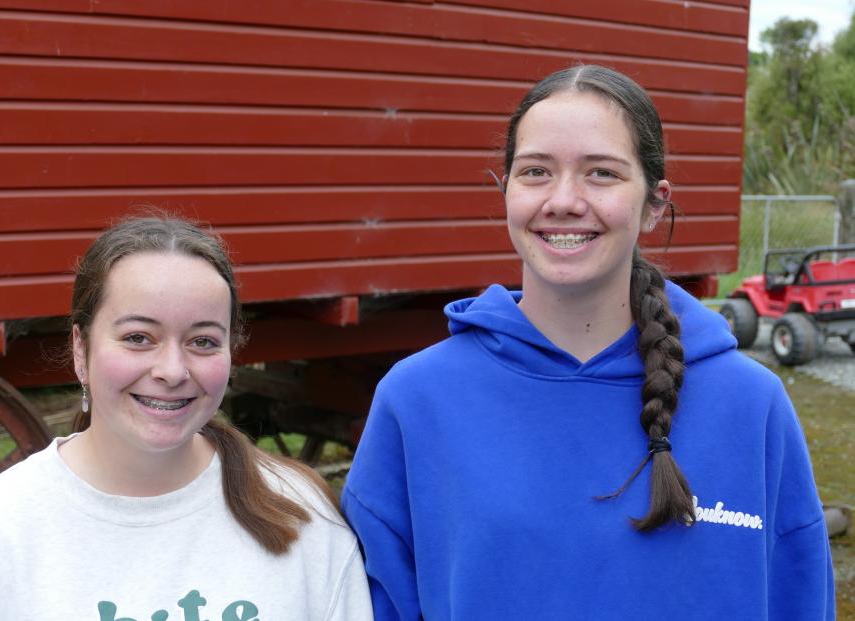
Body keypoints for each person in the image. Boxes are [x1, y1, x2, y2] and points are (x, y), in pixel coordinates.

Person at [341, 65, 834, 620]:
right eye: (536, 172)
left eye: (601, 173)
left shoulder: (752, 404)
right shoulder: (416, 400)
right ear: (504, 192)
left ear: (654, 203)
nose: (564, 200)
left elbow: (799, 598)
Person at [0, 216, 372, 620]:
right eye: (138, 338)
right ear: (81, 350)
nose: (172, 371)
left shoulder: (304, 518)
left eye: (203, 341)